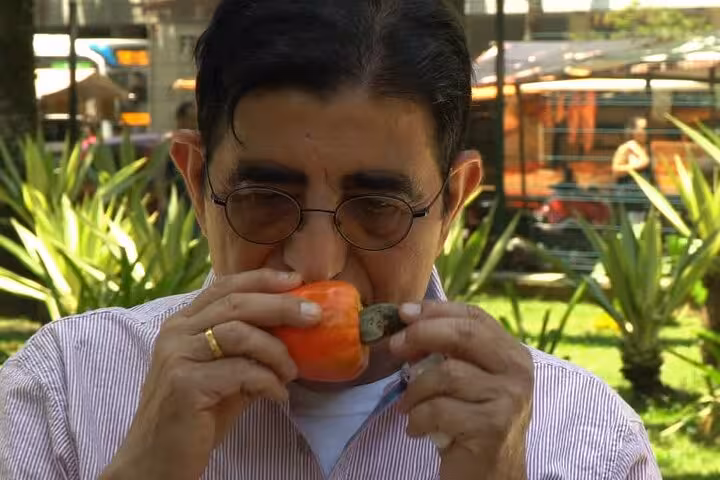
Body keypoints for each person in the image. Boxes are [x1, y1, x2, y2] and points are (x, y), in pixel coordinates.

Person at [0, 1, 661, 479]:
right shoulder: (65, 393)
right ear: (199, 186)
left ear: (452, 201)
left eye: (377, 207)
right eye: (264, 201)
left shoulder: (582, 437)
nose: (316, 261)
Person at [611, 117, 652, 221]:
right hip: (631, 197)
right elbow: (615, 170)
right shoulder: (627, 148)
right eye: (642, 128)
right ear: (633, 130)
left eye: (646, 128)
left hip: (645, 199)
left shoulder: (647, 147)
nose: (645, 131)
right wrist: (638, 165)